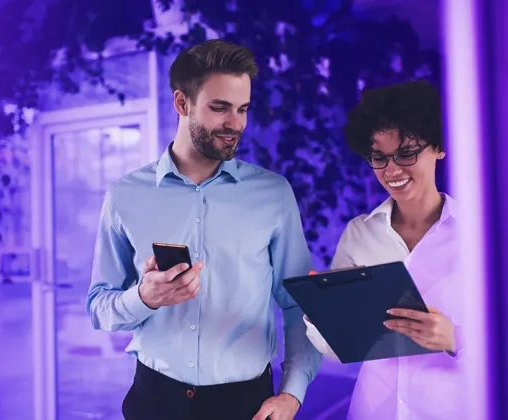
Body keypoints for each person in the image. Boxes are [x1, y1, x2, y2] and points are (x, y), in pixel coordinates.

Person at [86, 39, 321, 420]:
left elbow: (298, 302)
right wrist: (144, 297)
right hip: (154, 401)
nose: (236, 124)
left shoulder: (273, 194)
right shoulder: (125, 196)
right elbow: (100, 307)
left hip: (245, 405)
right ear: (182, 103)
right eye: (220, 107)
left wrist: (292, 393)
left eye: (243, 109)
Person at [303, 80, 462, 419]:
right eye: (379, 157)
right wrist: (321, 317)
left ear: (439, 147)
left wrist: (455, 339)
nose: (392, 170)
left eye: (406, 153)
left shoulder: (480, 237)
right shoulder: (360, 234)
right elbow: (338, 348)